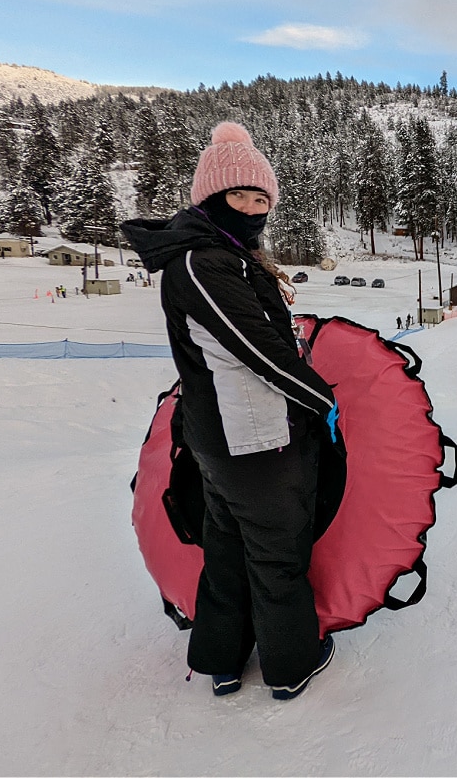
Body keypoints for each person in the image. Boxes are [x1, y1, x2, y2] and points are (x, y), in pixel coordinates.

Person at [122, 122, 337, 701]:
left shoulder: (221, 256)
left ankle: (221, 658)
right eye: (239, 196)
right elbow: (256, 350)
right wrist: (322, 400)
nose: (252, 207)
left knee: (229, 545)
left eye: (261, 197)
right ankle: (291, 664)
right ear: (211, 200)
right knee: (276, 548)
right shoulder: (204, 263)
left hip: (221, 434)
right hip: (252, 435)